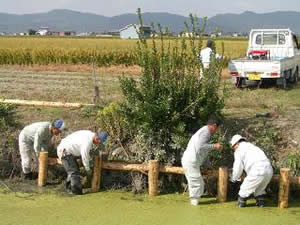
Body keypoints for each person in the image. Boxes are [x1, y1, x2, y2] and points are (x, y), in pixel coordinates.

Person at [181, 116, 222, 205]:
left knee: (197, 184)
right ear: (214, 126)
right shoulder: (206, 132)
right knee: (197, 184)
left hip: (191, 162)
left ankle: (194, 202)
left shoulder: (205, 132)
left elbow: (204, 151)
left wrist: (208, 165)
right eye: (218, 128)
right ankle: (194, 205)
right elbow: (201, 146)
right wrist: (215, 146)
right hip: (191, 162)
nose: (218, 131)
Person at [57, 130, 108, 195]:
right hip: (64, 151)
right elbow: (84, 157)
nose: (98, 144)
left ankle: (69, 188)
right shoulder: (87, 142)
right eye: (99, 142)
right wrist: (88, 169)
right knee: (74, 172)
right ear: (97, 138)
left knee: (74, 170)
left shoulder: (90, 134)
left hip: (68, 149)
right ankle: (76, 192)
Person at [230, 134, 273, 208]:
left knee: (243, 191)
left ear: (236, 144)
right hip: (269, 170)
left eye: (233, 147)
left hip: (257, 171)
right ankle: (261, 204)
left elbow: (238, 167)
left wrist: (234, 178)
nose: (234, 149)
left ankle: (241, 205)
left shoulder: (238, 150)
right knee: (259, 190)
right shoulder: (253, 146)